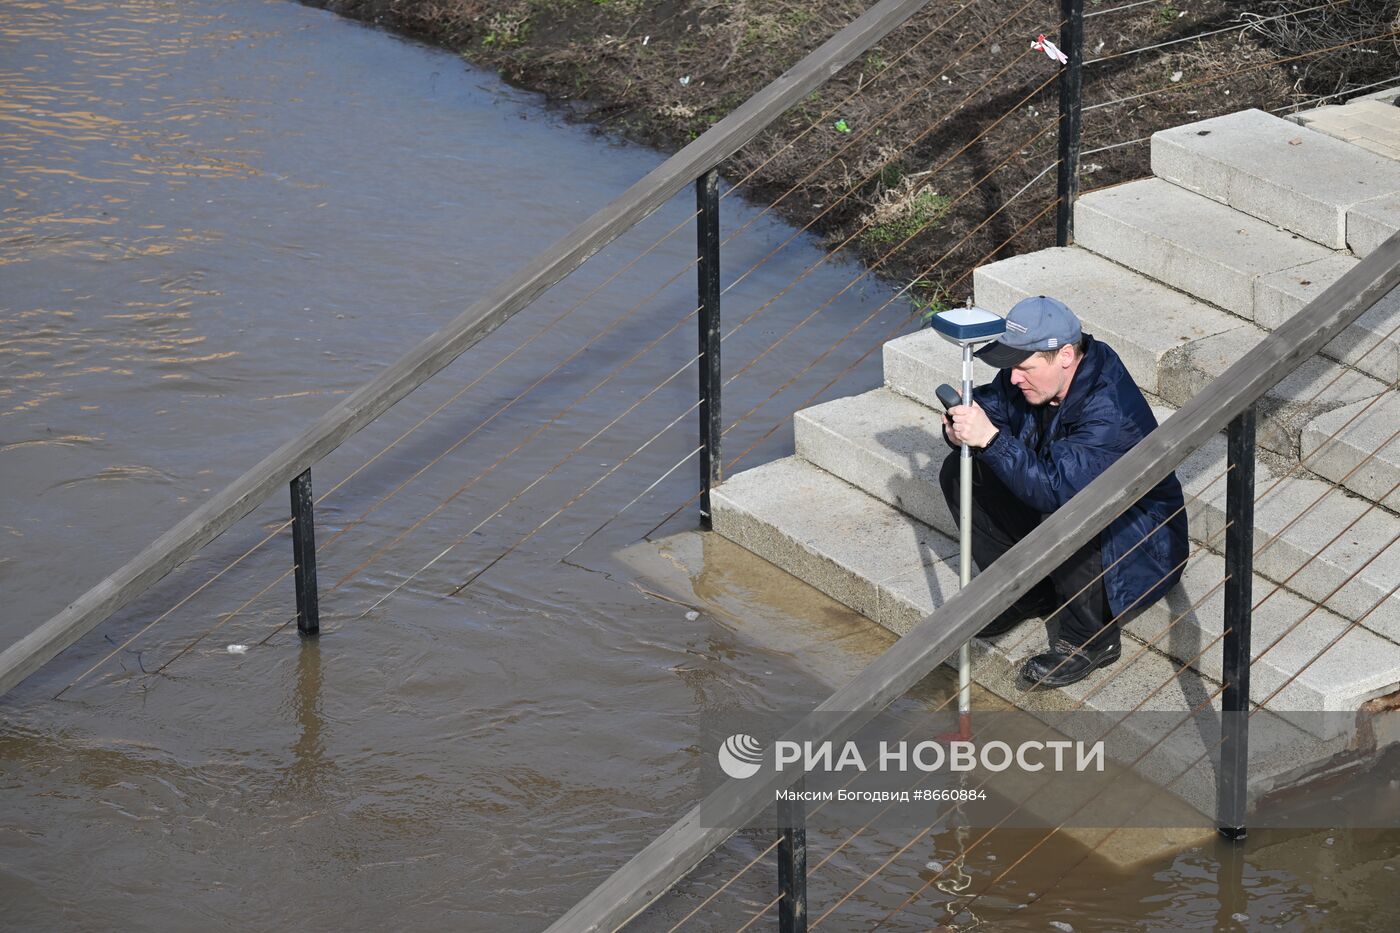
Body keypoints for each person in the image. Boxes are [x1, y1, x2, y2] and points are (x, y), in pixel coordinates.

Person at [938, 295, 1188, 688]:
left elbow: (1057, 491)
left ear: (1066, 356)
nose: (1015, 377)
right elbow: (995, 407)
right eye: (1011, 367)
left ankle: (1091, 639)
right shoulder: (1030, 376)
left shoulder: (1109, 413)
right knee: (962, 469)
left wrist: (990, 439)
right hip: (1060, 500)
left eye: (1024, 367)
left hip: (1138, 543)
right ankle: (1027, 593)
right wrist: (960, 429)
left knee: (1073, 507)